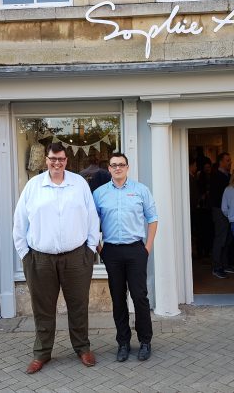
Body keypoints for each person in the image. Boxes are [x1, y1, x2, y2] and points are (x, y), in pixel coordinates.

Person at [13, 142, 100, 374]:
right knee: (43, 308)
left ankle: (82, 348)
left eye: (61, 159)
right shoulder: (33, 186)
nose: (57, 163)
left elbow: (92, 217)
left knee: (78, 305)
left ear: (66, 161)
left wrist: (90, 249)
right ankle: (42, 353)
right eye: (53, 159)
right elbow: (20, 223)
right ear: (46, 161)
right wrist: (25, 255)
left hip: (76, 257)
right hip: (40, 259)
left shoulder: (79, 184)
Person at [93, 152, 158, 362]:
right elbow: (91, 223)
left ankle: (145, 341)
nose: (118, 168)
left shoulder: (141, 190)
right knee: (118, 298)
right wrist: (99, 248)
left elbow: (153, 219)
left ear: (127, 167)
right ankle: (123, 342)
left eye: (121, 164)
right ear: (109, 168)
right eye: (113, 165)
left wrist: (147, 247)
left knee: (140, 297)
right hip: (111, 251)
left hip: (136, 250)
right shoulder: (100, 193)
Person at [210, 152, 234, 278]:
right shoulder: (216, 176)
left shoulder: (229, 176)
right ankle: (216, 267)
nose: (230, 162)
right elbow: (217, 196)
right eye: (228, 160)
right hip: (219, 210)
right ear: (221, 162)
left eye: (230, 160)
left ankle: (224, 264)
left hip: (228, 211)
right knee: (220, 238)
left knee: (227, 238)